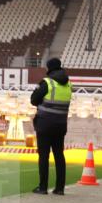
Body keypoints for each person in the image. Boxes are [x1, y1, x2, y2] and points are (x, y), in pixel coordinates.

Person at [30, 58, 71, 195]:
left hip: (45, 124)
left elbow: (33, 100)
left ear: (49, 68)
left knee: (44, 156)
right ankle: (60, 188)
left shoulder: (47, 82)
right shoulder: (68, 84)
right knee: (59, 155)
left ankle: (43, 187)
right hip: (61, 125)